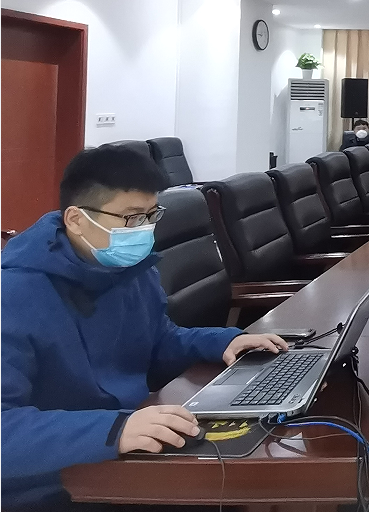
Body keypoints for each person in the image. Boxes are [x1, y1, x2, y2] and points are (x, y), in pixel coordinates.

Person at [0, 145, 287, 509]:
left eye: (152, 215)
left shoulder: (130, 269)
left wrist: (224, 342)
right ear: (76, 219)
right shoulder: (13, 294)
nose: (145, 230)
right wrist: (114, 430)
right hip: (56, 482)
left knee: (254, 477)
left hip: (129, 453)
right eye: (132, 217)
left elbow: (157, 341)